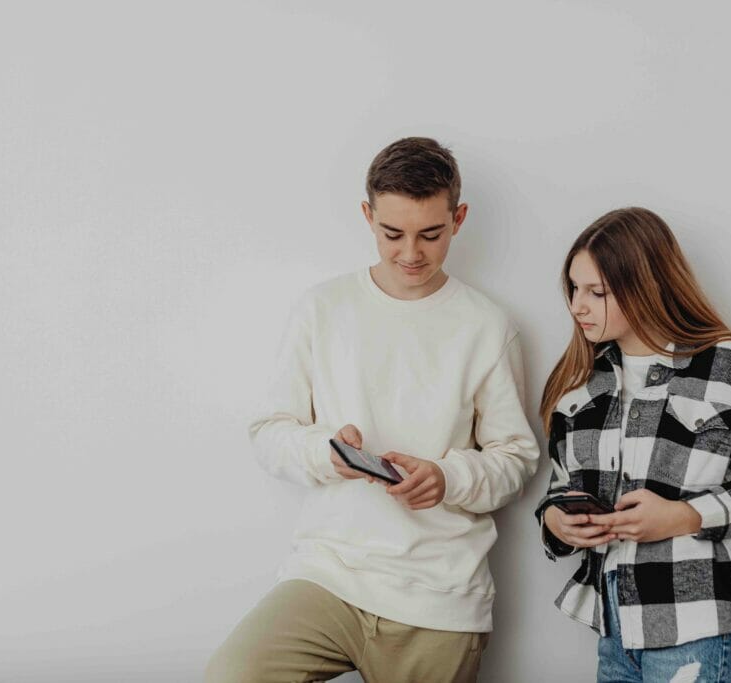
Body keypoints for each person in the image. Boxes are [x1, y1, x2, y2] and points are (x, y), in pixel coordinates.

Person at [207, 137, 539, 683]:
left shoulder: (488, 326)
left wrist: (447, 477)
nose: (411, 252)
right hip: (329, 576)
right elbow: (269, 431)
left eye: (431, 234)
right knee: (232, 675)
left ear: (458, 219)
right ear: (368, 216)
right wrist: (327, 453)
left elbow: (516, 460)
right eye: (392, 233)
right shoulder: (322, 308)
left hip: (440, 595)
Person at [535, 207, 731, 682]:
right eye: (573, 288)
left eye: (596, 292)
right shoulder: (582, 389)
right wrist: (558, 522)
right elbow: (560, 487)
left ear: (644, 286)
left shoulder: (726, 365)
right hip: (617, 633)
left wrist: (685, 516)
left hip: (709, 627)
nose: (576, 305)